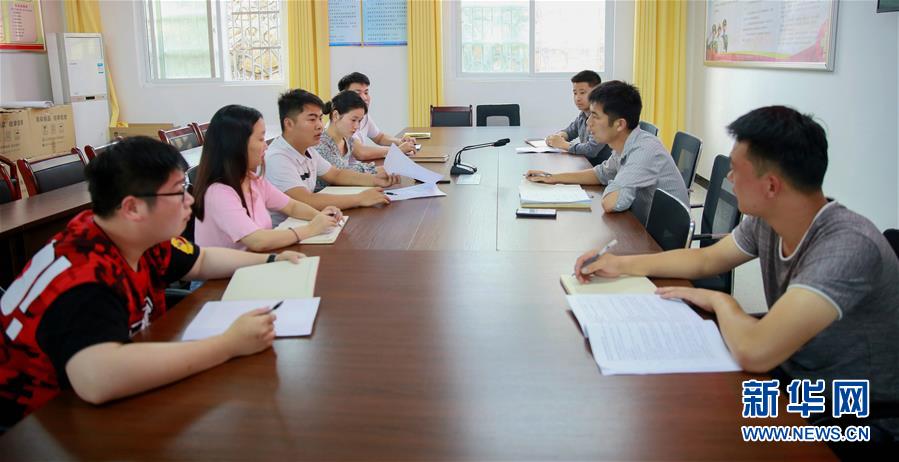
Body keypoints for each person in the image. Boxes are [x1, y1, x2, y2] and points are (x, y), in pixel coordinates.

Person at [575, 106, 899, 442]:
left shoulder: (846, 248)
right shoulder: (769, 219)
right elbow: (706, 261)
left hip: (856, 412)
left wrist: (723, 303)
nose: (729, 178)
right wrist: (620, 263)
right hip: (797, 367)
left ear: (771, 185)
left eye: (736, 170)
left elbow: (754, 352)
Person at [0, 136, 305, 429]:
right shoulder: (84, 275)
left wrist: (270, 260)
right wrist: (228, 345)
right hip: (34, 424)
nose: (190, 200)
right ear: (132, 207)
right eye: (178, 191)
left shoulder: (130, 233)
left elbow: (200, 260)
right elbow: (98, 380)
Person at [527, 80, 688, 225]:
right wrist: (552, 178)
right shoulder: (626, 143)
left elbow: (611, 203)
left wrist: (617, 180)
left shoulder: (644, 151)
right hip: (642, 227)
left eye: (595, 116)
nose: (588, 123)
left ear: (619, 124)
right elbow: (600, 174)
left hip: (660, 242)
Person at [192, 104, 342, 251]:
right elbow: (258, 240)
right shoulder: (218, 192)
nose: (265, 146)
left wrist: (321, 217)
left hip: (257, 260)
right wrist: (311, 229)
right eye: (260, 139)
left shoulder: (252, 179)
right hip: (238, 267)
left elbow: (292, 206)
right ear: (237, 145)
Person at [265, 89, 399, 222]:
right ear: (289, 124)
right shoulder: (277, 158)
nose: (319, 126)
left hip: (307, 221)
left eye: (320, 119)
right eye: (312, 119)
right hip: (286, 228)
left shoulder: (308, 149)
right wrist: (359, 198)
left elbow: (336, 175)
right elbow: (306, 200)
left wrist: (375, 180)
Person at [315, 90, 385, 191]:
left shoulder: (348, 140)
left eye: (359, 121)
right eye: (353, 120)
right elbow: (343, 173)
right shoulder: (321, 145)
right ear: (335, 115)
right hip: (324, 198)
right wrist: (377, 170)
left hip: (342, 192)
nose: (357, 126)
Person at [337, 72, 417, 160]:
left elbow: (379, 137)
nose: (364, 98)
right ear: (344, 96)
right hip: (345, 168)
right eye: (357, 93)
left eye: (366, 93)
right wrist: (397, 150)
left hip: (358, 166)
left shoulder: (363, 116)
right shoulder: (342, 119)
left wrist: (400, 142)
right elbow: (361, 153)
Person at [545, 70, 612, 164]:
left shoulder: (603, 117)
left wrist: (564, 144)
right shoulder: (583, 115)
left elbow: (591, 150)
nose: (578, 98)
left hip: (600, 169)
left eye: (582, 92)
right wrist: (559, 137)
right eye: (575, 93)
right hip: (587, 165)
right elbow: (569, 131)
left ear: (597, 92)